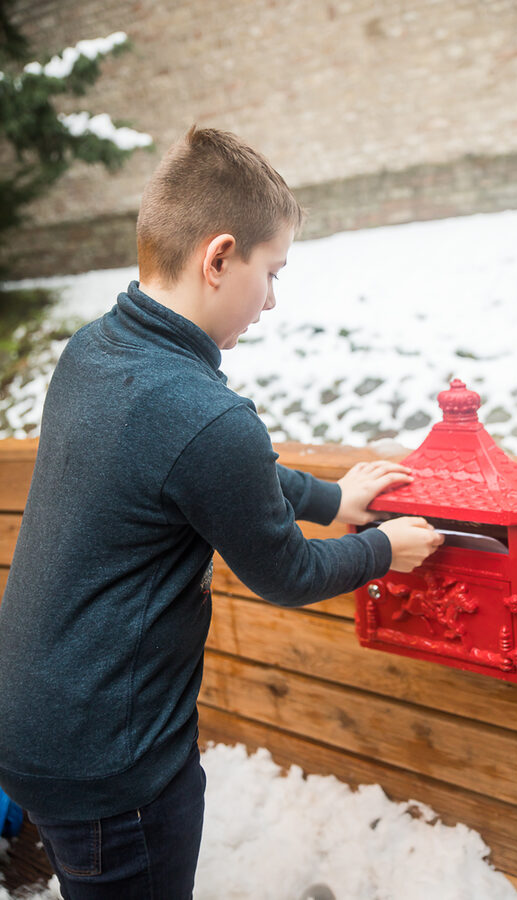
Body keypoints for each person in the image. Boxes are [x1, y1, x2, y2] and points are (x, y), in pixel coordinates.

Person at [0, 126, 443, 899]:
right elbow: (286, 571)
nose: (271, 300)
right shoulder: (205, 415)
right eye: (271, 272)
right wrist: (386, 548)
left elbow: (210, 471)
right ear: (218, 257)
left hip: (30, 724)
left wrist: (334, 500)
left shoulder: (92, 354)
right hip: (117, 766)